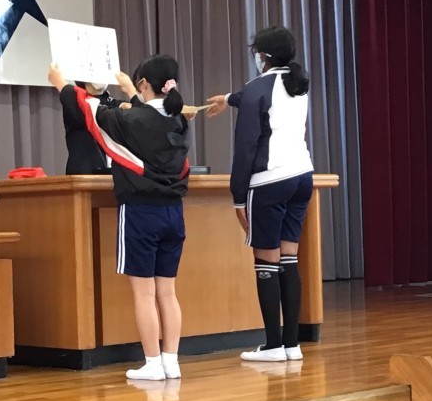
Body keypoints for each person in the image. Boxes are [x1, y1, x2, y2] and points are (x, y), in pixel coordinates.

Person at [48, 55, 190, 381]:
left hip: (141, 212)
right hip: (174, 213)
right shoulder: (179, 121)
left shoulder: (129, 121)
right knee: (167, 292)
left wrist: (61, 85)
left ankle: (152, 364)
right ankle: (171, 361)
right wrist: (132, 92)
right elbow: (148, 114)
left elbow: (89, 108)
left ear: (144, 83)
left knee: (144, 293)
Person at [207, 26, 314, 362]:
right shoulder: (298, 83)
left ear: (263, 56)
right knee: (289, 259)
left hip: (269, 181)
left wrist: (238, 195)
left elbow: (245, 148)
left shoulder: (258, 87)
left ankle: (272, 346)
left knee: (266, 260)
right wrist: (228, 99)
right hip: (301, 176)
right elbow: (259, 99)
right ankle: (292, 344)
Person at [60, 81, 128, 175]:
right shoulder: (75, 100)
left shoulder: (111, 102)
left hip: (112, 172)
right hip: (85, 172)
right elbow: (92, 110)